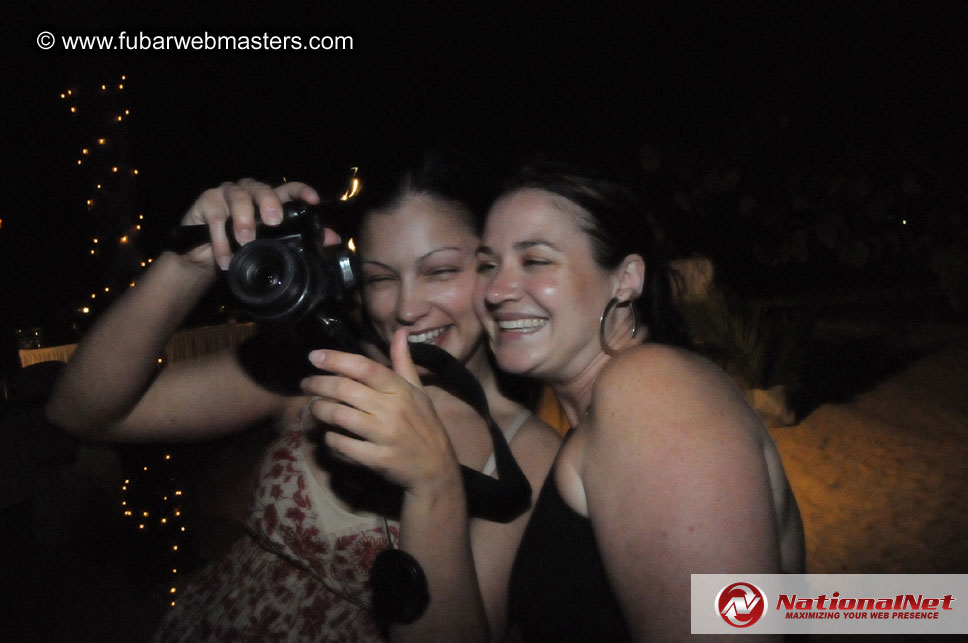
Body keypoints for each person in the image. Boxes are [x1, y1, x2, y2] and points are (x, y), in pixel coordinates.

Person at [45, 154, 561, 642]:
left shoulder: (528, 453)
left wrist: (434, 479)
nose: (406, 307)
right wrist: (191, 264)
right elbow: (82, 412)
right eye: (380, 277)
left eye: (441, 271)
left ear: (493, 268)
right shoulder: (319, 363)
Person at [471, 161, 806, 641]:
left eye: (536, 260)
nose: (497, 289)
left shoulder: (650, 389)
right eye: (488, 265)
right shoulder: (608, 412)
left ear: (626, 279)